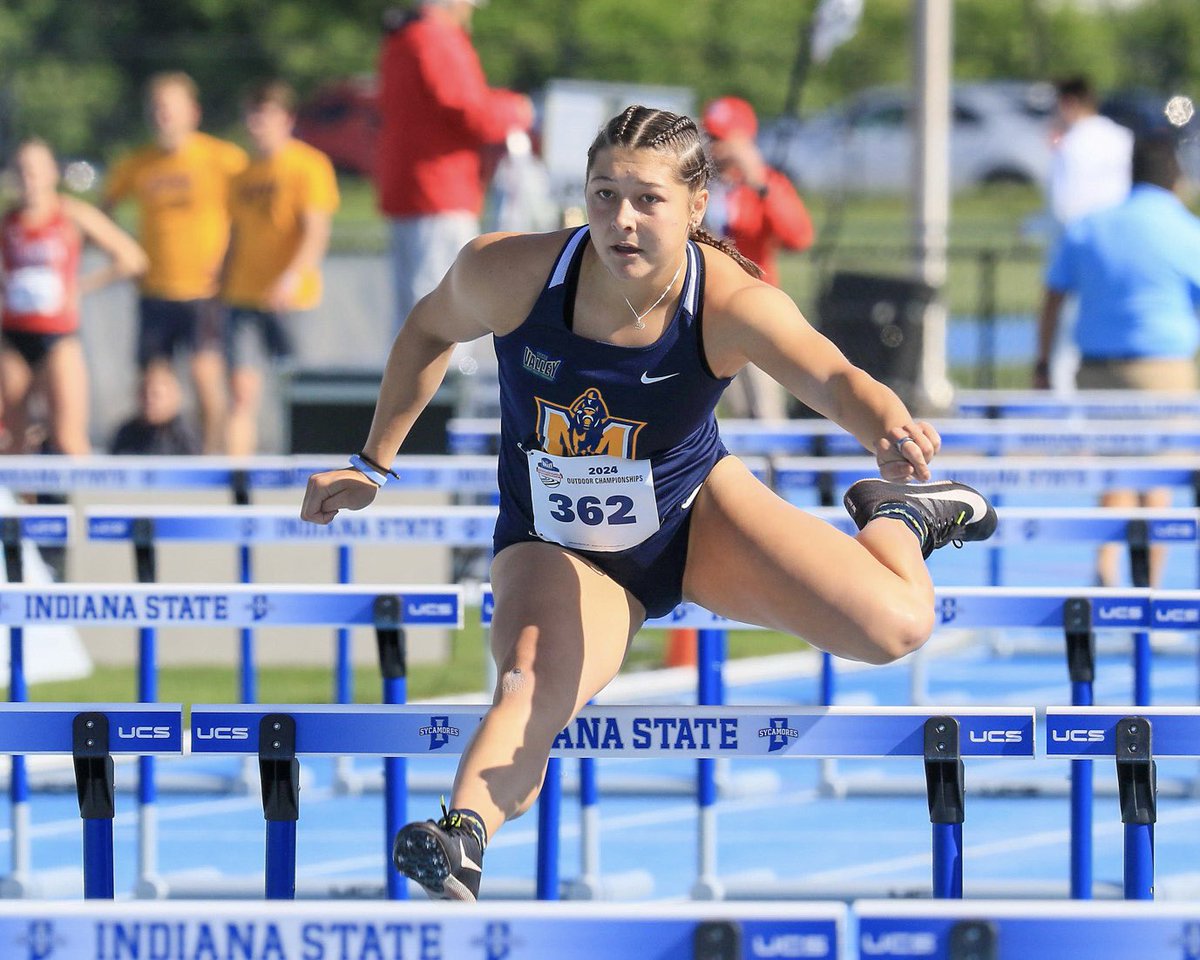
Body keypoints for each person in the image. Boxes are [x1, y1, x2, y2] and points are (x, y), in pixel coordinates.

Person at [300, 105, 997, 902]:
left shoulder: (730, 301)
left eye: (647, 201)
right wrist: (373, 463)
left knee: (898, 625)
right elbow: (428, 329)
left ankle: (901, 519)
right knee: (530, 682)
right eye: (603, 195)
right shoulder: (512, 274)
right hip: (553, 540)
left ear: (697, 205)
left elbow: (831, 375)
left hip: (697, 516)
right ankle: (462, 837)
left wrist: (885, 427)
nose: (621, 222)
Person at [1036, 134, 1200, 587]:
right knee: (1158, 483)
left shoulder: (1091, 225)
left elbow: (1052, 297)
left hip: (1098, 368)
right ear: (1176, 180)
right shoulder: (1188, 230)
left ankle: (1106, 566)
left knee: (1114, 472)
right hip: (1163, 369)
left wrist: (1042, 362)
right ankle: (1148, 589)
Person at [104, 71, 248, 452]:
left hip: (203, 291)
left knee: (205, 378)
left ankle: (211, 460)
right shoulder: (138, 162)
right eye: (155, 109)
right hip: (154, 290)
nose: (161, 116)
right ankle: (157, 455)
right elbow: (104, 212)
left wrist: (229, 263)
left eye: (169, 108)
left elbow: (250, 213)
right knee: (152, 385)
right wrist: (126, 256)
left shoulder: (221, 158)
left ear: (192, 112)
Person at [375, 0, 534, 331]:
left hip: (414, 191)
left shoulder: (403, 37)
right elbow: (468, 112)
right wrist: (518, 111)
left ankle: (420, 383)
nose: (469, 11)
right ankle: (449, 385)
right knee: (446, 314)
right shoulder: (435, 38)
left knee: (414, 315)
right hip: (439, 192)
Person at [0, 138, 147, 454]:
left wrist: (80, 287)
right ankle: (20, 503)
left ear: (52, 173)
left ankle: (80, 503)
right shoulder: (8, 222)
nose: (30, 179)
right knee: (15, 437)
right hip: (14, 337)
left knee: (67, 435)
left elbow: (132, 258)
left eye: (36, 171)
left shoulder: (71, 215)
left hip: (59, 336)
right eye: (22, 171)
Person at [220, 80, 339, 455]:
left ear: (286, 119)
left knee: (296, 392)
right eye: (252, 116)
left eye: (265, 116)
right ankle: (240, 488)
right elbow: (235, 234)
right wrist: (218, 284)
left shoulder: (308, 165)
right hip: (242, 295)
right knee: (240, 393)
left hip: (290, 299)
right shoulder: (242, 174)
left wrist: (291, 278)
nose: (257, 125)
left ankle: (302, 473)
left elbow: (315, 232)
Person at [701, 96, 816, 420]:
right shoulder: (698, 183)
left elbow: (799, 236)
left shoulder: (765, 184)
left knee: (765, 406)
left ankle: (775, 469)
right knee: (727, 407)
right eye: (709, 137)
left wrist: (761, 184)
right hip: (708, 310)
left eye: (721, 139)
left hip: (755, 308)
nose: (714, 146)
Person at [1038, 75, 1134, 392]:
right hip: (1122, 252)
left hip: (1078, 253)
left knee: (1065, 343)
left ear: (1069, 103)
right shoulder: (1123, 138)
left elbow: (1064, 207)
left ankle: (1071, 426)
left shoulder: (1072, 144)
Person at [109, 361, 201, 456]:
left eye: (156, 395)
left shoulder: (186, 436)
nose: (149, 401)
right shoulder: (126, 434)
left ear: (174, 396)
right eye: (144, 394)